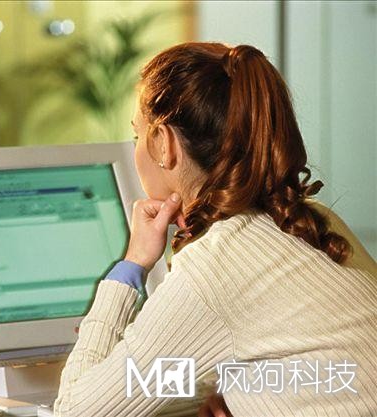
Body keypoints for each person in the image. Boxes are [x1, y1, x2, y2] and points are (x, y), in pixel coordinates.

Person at [52, 42, 377, 417]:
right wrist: (236, 391)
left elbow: (74, 410)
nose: (136, 149)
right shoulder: (313, 220)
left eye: (138, 136)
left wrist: (132, 265)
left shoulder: (215, 265)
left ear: (164, 145)